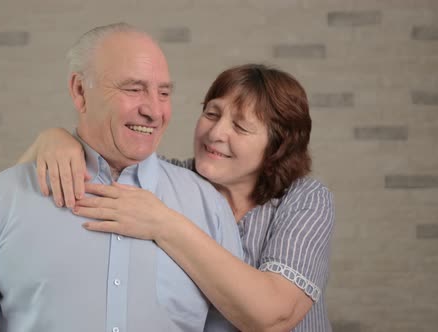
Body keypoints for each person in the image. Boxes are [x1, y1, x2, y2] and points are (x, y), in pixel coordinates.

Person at [0, 23, 244, 332]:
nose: (154, 111)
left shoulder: (208, 206)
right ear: (80, 91)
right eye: (134, 89)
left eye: (164, 93)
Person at [21, 64, 335, 331]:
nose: (215, 133)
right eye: (212, 114)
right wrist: (53, 139)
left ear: (277, 146)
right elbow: (17, 193)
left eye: (239, 126)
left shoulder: (305, 199)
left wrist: (163, 224)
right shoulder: (165, 177)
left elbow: (273, 316)